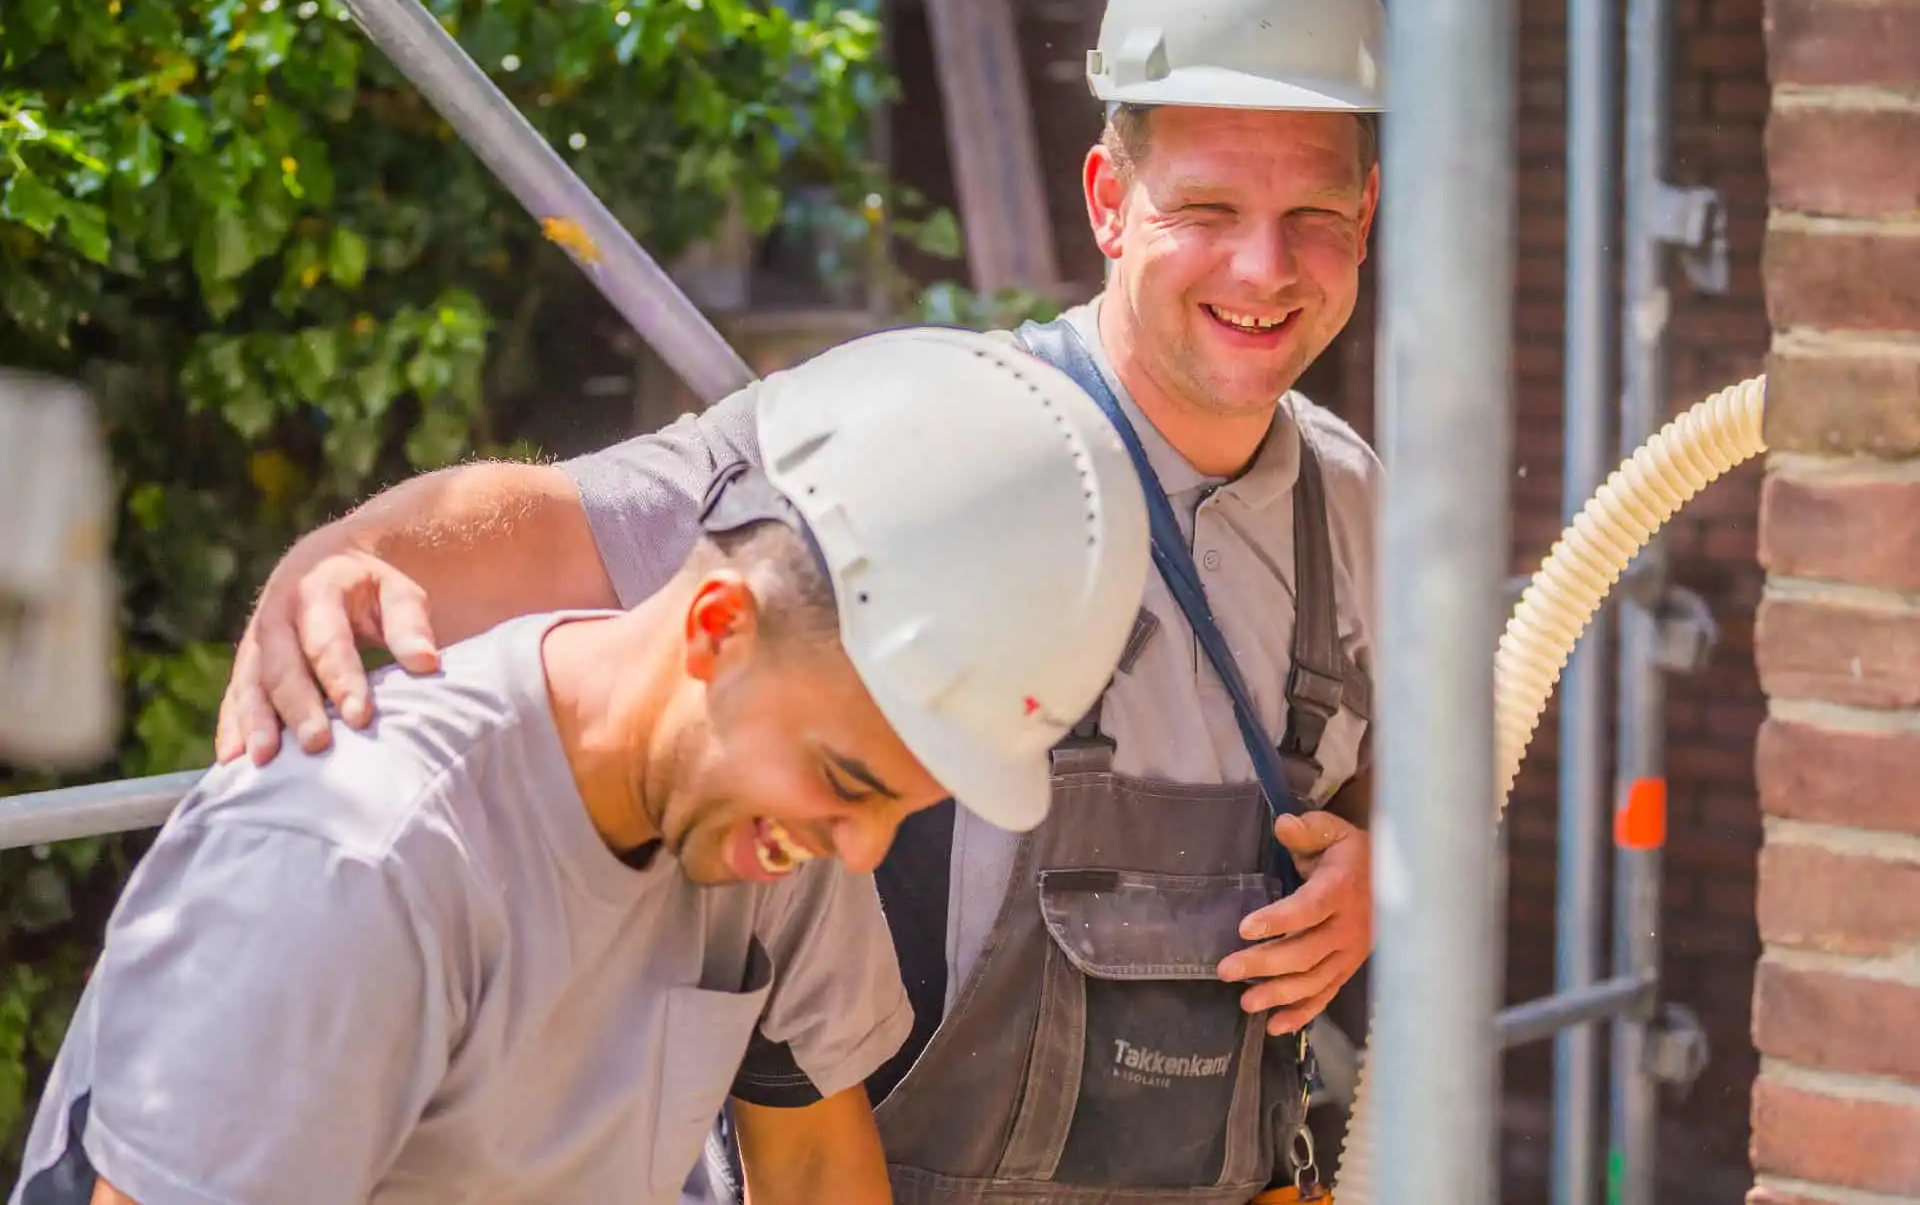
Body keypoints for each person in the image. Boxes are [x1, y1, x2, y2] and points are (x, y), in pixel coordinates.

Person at [210, 0, 1389, 1198]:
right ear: (1109, 199)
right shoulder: (936, 454)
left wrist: (1380, 876)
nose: (1264, 269)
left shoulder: (1350, 506)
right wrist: (341, 561)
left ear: (1367, 215)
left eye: (1311, 215)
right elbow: (573, 520)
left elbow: (1390, 774)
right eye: (1207, 208)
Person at [9, 327, 1153, 1205]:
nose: (861, 846)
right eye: (852, 784)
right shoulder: (363, 859)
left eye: (905, 807)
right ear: (717, 628)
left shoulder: (772, 834)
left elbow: (811, 1168)